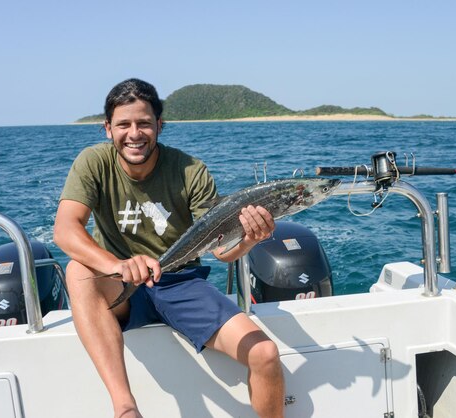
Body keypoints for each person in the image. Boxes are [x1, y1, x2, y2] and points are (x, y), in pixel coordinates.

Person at [53, 78, 285, 418]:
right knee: (78, 270)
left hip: (181, 282)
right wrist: (117, 265)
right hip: (121, 283)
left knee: (264, 354)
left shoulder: (190, 170)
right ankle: (125, 407)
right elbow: (65, 230)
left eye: (144, 123)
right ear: (107, 129)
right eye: (124, 124)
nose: (134, 133)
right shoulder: (92, 162)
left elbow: (222, 251)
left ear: (160, 126)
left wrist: (249, 238)